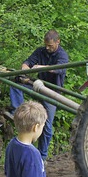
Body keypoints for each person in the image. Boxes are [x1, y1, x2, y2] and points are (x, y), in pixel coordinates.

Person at [9, 29, 69, 161]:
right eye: (46, 45)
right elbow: (28, 61)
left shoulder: (62, 55)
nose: (47, 48)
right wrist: (25, 67)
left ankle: (42, 157)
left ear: (57, 42)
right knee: (15, 83)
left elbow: (60, 68)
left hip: (51, 93)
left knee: (47, 126)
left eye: (50, 46)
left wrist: (41, 67)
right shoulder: (40, 51)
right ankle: (17, 111)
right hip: (37, 86)